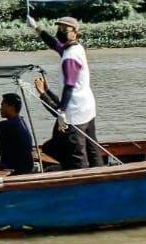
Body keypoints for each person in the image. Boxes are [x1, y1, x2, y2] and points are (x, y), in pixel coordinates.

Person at [27, 15, 102, 169]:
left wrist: (62, 111)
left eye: (65, 30)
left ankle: (84, 182)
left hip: (75, 112)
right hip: (87, 107)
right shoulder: (76, 48)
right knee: (92, 146)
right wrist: (36, 27)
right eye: (59, 29)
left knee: (77, 153)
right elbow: (54, 44)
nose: (61, 32)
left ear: (75, 32)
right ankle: (99, 171)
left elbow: (69, 85)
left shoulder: (70, 57)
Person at [0, 92, 35, 174]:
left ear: (11, 107)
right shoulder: (20, 121)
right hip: (26, 166)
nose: (0, 109)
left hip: (16, 168)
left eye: (2, 105)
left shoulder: (9, 125)